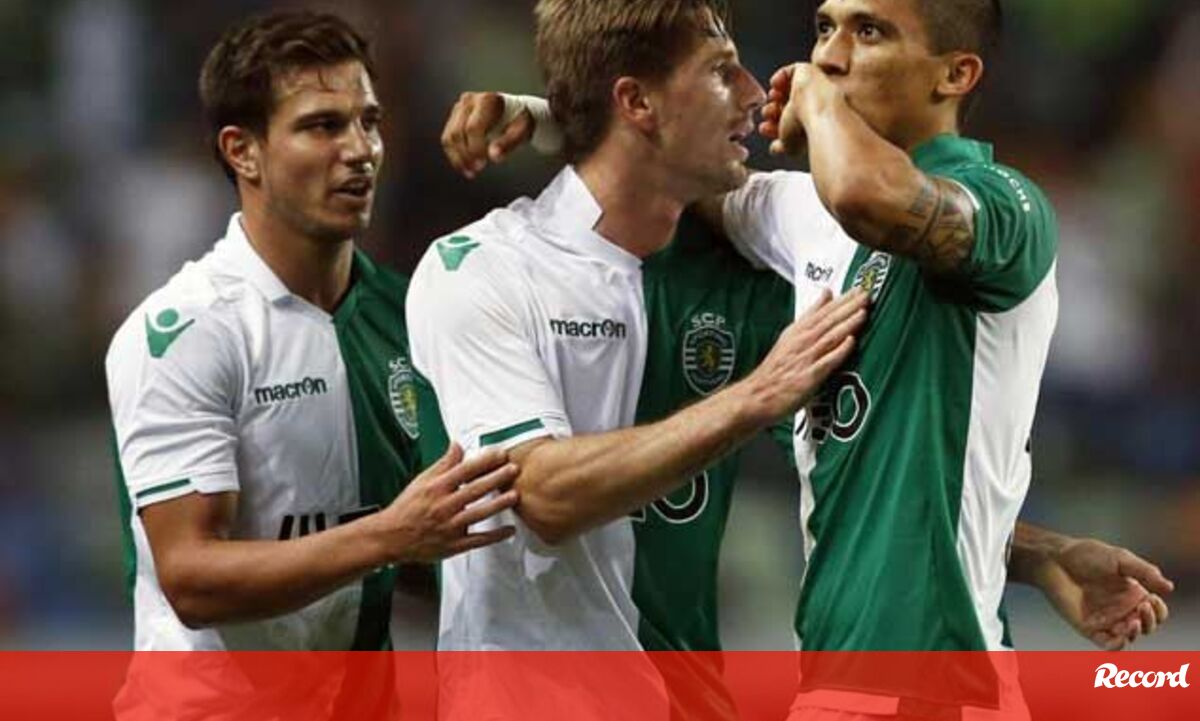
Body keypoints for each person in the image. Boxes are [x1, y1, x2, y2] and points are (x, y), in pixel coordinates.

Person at [406, 0, 869, 717]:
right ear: (636, 102)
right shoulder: (480, 268)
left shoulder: (736, 274)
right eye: (721, 72)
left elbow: (857, 482)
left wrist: (1020, 547)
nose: (754, 93)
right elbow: (541, 495)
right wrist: (755, 396)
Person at [104, 11, 519, 719]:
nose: (360, 150)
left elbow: (431, 539)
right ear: (243, 151)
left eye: (369, 121)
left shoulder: (410, 314)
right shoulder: (185, 332)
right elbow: (193, 578)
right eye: (323, 126)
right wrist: (391, 535)